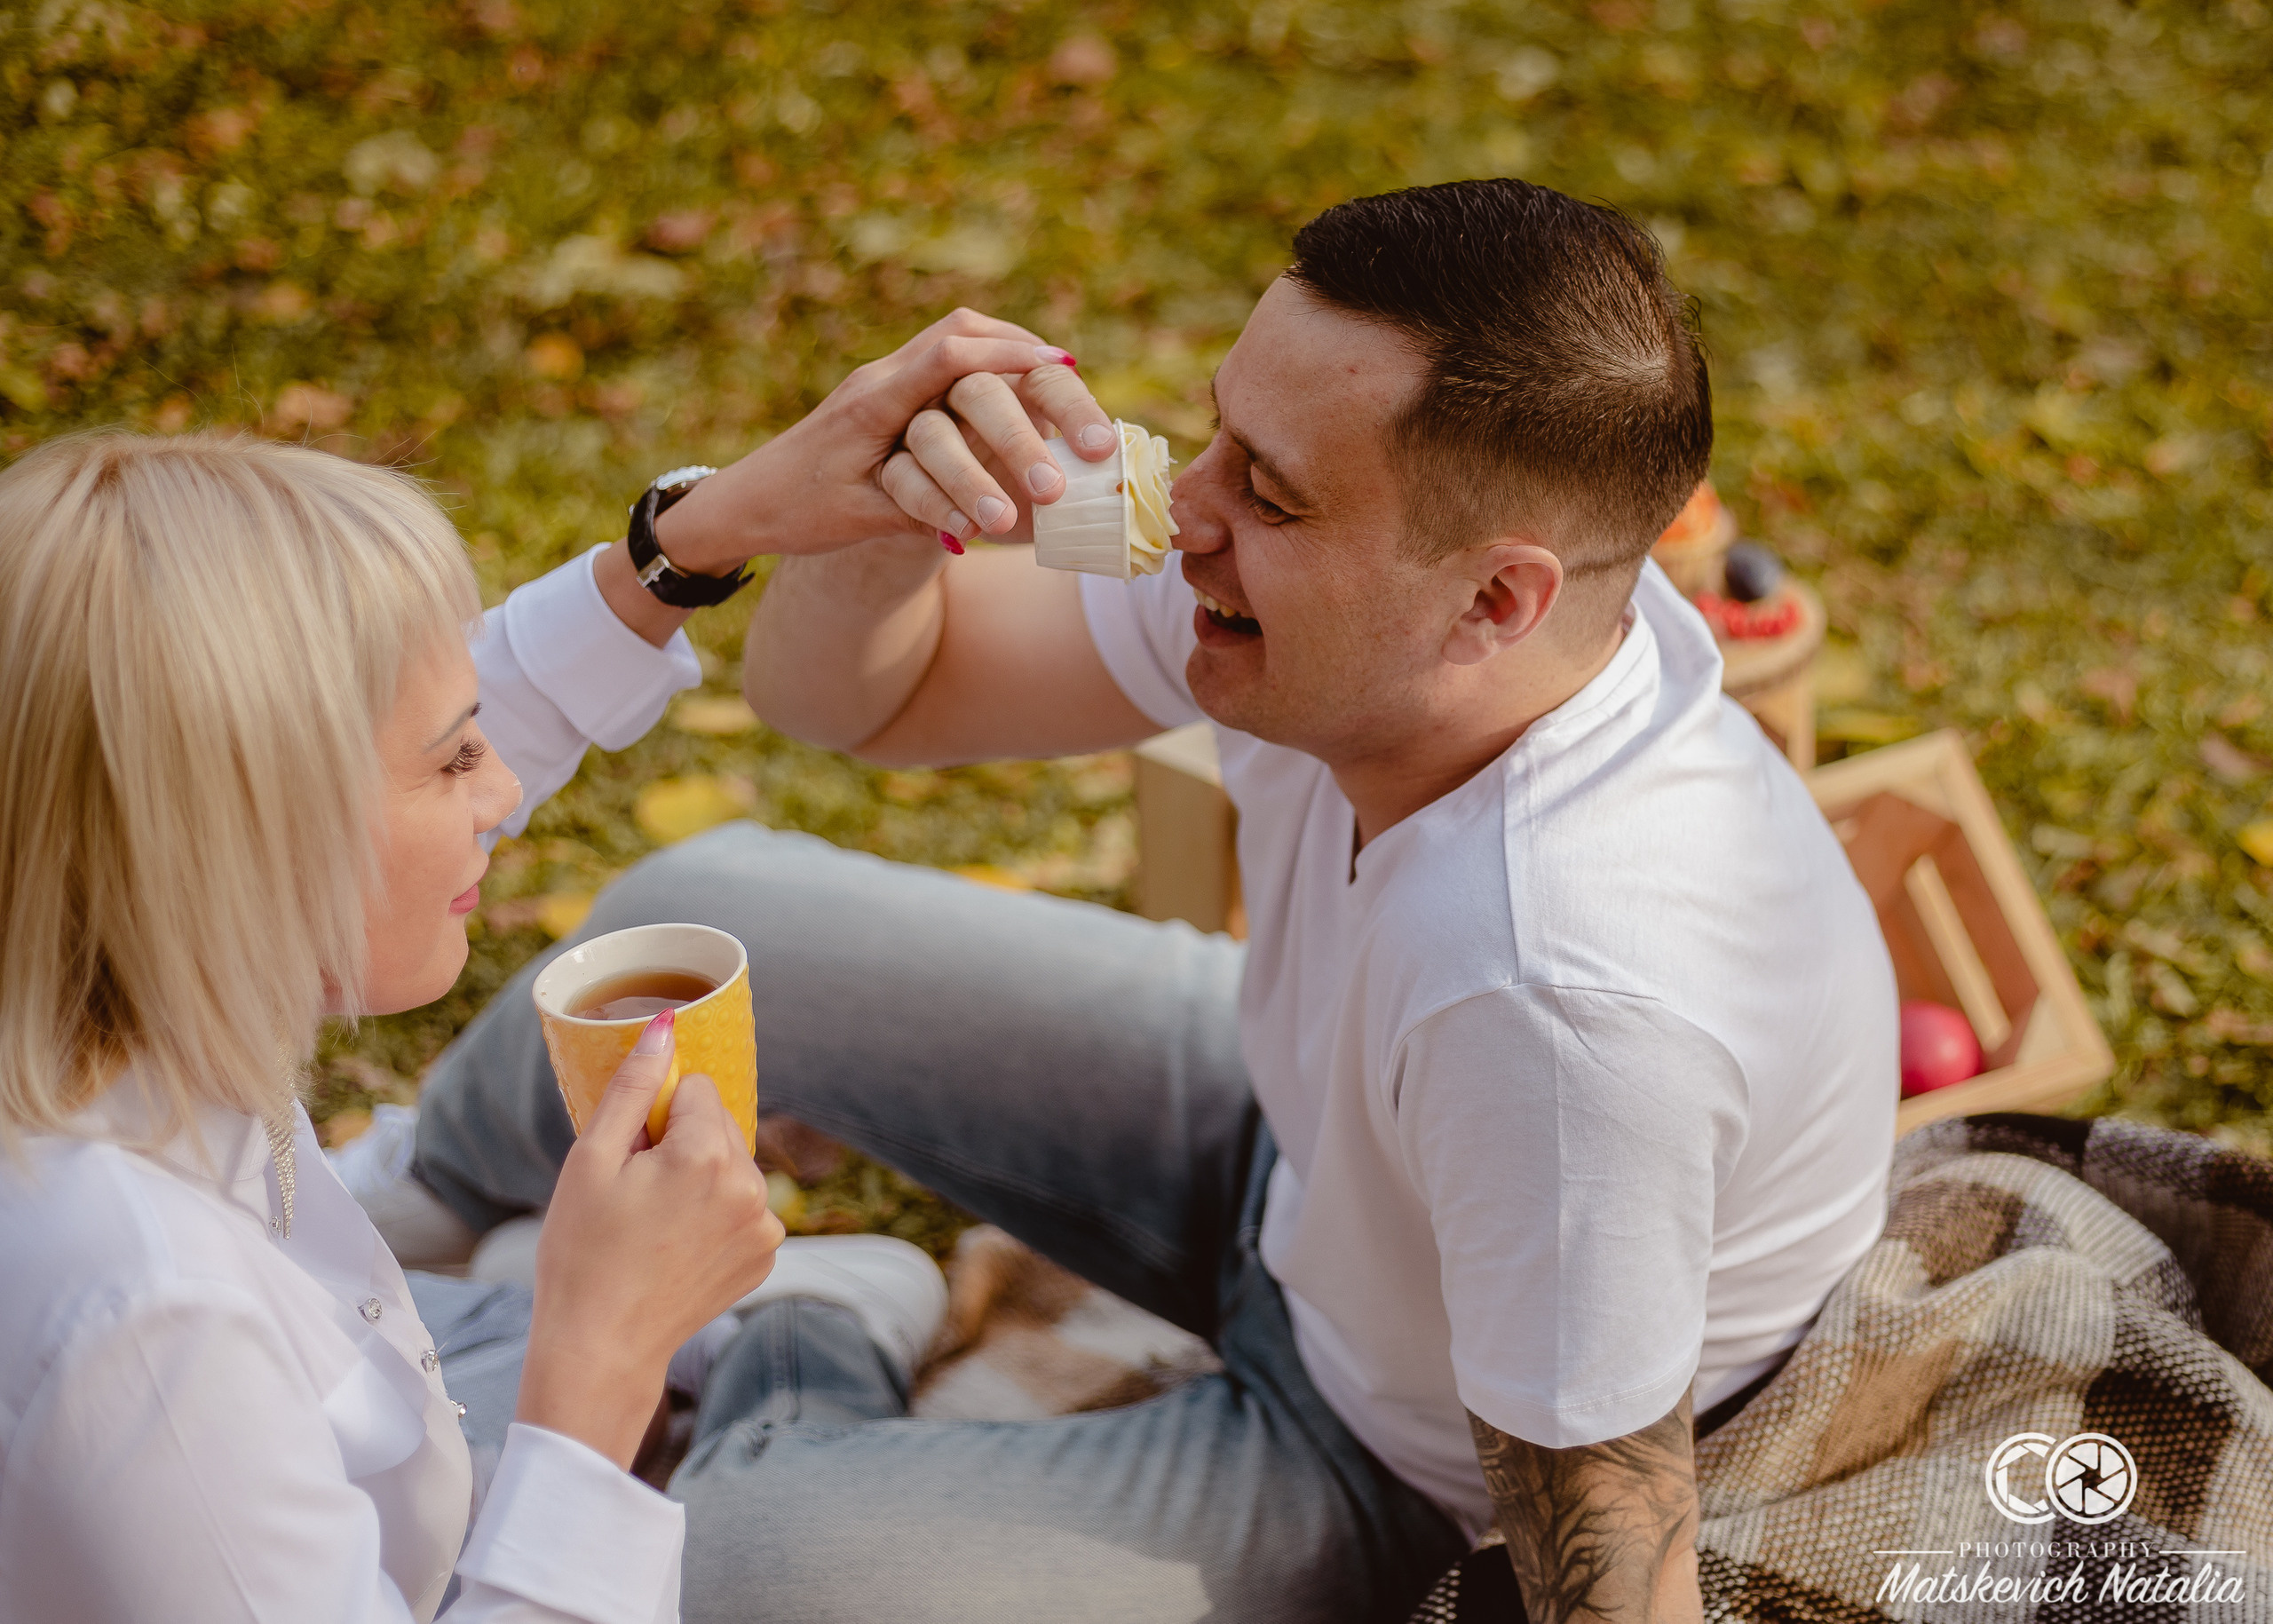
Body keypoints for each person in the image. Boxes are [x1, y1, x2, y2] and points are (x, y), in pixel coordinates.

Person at [367, 180, 1899, 1624]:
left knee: (739, 1571)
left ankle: (810, 1323)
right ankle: (404, 1196)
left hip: (1391, 1442)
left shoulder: (1562, 998)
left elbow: (1610, 1560)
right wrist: (884, 531)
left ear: (1494, 600)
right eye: (1220, 434)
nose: (1186, 505)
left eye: (1269, 491)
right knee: (701, 903)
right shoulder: (1356, 619)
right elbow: (861, 704)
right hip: (1303, 1155)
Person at [0, 316, 1096, 1622]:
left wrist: (701, 538)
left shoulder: (86, 932)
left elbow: (417, 718)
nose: (505, 789)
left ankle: (505, 1245)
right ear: (248, 832)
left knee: (856, 1286)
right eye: (458, 758)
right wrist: (604, 1358)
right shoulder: (149, 1331)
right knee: (828, 1349)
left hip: (395, 1382)